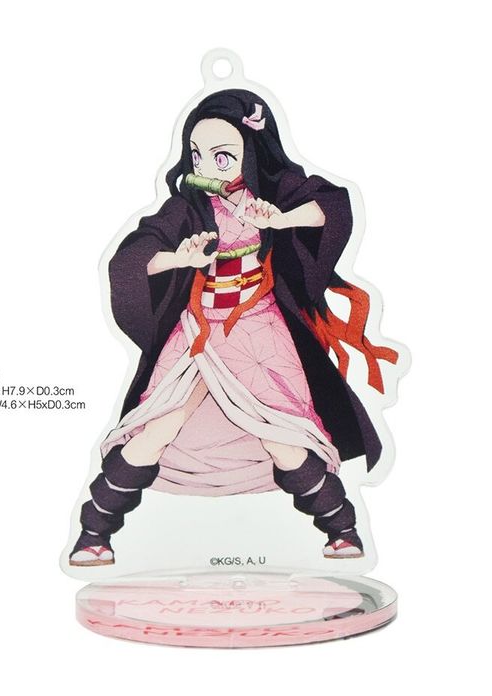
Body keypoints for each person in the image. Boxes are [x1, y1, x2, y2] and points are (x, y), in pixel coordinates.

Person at [69, 89, 397, 567]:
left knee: (282, 434)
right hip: (200, 329)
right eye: (197, 154)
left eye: (222, 155)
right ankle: (93, 534)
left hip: (258, 329)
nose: (207, 166)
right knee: (157, 426)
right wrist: (177, 259)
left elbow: (331, 206)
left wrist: (281, 219)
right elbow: (133, 255)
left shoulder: (272, 191)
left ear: (251, 149)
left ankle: (342, 530)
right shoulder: (187, 207)